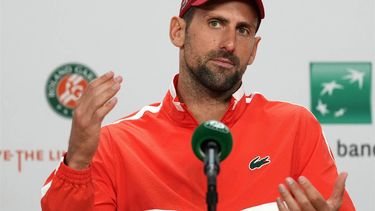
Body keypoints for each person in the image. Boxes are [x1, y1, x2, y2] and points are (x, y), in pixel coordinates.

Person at [41, 0, 356, 210]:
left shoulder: (294, 127)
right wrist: (79, 160)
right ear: (178, 31)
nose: (229, 43)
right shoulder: (115, 145)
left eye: (243, 29)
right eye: (216, 23)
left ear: (254, 49)